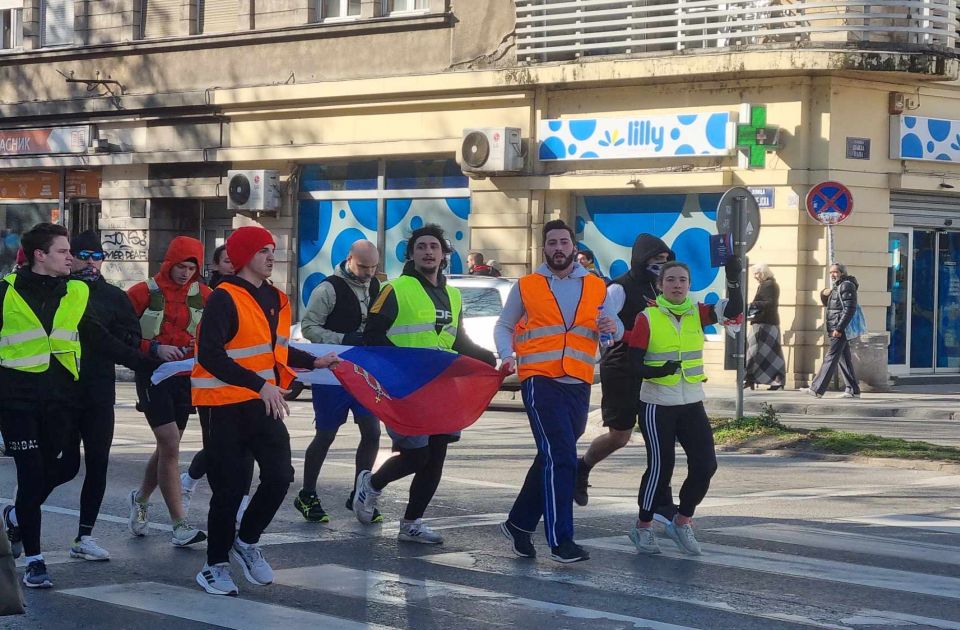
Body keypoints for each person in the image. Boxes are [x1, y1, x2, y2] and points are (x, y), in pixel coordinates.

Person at [0, 223, 156, 589]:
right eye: (63, 251)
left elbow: (101, 339)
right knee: (32, 475)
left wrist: (149, 361)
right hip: (17, 402)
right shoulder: (5, 293)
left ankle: (16, 516)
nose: (70, 258)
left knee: (68, 465)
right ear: (40, 255)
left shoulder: (75, 293)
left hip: (61, 401)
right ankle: (36, 560)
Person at [192, 226, 339, 596]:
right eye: (262, 251)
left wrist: (315, 360)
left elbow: (277, 349)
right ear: (244, 258)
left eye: (272, 249)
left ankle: (247, 540)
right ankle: (214, 566)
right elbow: (210, 356)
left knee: (279, 477)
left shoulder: (274, 297)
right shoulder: (223, 298)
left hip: (263, 402)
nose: (271, 256)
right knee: (228, 489)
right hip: (223, 405)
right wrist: (260, 385)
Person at [354, 224, 495, 544]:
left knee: (437, 456)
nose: (428, 251)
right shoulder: (396, 288)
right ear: (412, 254)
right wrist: (401, 366)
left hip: (441, 388)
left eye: (434, 246)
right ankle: (372, 485)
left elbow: (458, 340)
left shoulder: (453, 293)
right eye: (421, 247)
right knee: (416, 456)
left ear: (444, 254)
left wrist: (488, 359)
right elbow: (372, 337)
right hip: (406, 386)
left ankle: (412, 524)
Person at [495, 220, 622, 563]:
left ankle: (519, 523)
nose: (558, 248)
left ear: (573, 247)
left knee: (553, 455)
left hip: (578, 380)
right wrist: (507, 356)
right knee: (563, 457)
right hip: (539, 378)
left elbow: (614, 329)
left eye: (563, 242)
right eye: (552, 243)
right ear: (544, 249)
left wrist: (613, 328)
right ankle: (560, 541)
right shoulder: (527, 285)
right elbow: (504, 325)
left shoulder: (597, 287)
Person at [626, 258, 742, 556]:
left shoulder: (697, 312)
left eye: (682, 280)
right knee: (661, 468)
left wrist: (732, 275)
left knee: (706, 465)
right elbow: (633, 364)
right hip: (657, 403)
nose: (677, 285)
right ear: (660, 285)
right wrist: (658, 370)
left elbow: (733, 310)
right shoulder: (647, 318)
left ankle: (681, 520)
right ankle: (642, 528)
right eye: (671, 280)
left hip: (691, 401)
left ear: (689, 285)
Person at [63, 231, 147, 561]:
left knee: (98, 465)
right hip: (62, 392)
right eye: (84, 255)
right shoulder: (59, 291)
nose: (91, 262)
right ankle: (19, 513)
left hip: (99, 391)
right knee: (64, 465)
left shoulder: (113, 296)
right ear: (69, 257)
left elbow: (132, 336)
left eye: (97, 256)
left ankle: (85, 536)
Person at [575, 234, 674, 509]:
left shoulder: (661, 288)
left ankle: (660, 498)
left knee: (660, 436)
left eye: (665, 261)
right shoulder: (620, 288)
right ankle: (582, 467)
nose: (661, 265)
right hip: (621, 368)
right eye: (656, 260)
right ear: (642, 261)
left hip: (654, 370)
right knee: (620, 436)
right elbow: (603, 323)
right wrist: (625, 336)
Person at [126, 236, 210, 546]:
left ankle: (142, 499)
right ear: (168, 263)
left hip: (185, 377)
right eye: (180, 266)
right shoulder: (142, 292)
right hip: (151, 375)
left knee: (167, 448)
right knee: (170, 442)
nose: (185, 273)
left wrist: (197, 347)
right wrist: (153, 348)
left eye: (191, 267)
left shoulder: (204, 295)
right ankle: (179, 525)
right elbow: (121, 333)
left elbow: (216, 332)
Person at [295, 240, 383, 523]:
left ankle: (359, 492)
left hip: (364, 370)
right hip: (332, 372)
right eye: (364, 267)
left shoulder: (376, 286)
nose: (369, 273)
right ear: (349, 259)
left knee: (372, 432)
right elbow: (308, 327)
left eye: (374, 267)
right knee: (326, 435)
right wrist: (342, 339)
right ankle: (307, 493)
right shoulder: (327, 288)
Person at [801, 262, 861, 399]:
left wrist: (839, 328)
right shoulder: (838, 286)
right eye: (831, 272)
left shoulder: (846, 285)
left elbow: (849, 309)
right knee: (844, 359)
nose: (832, 275)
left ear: (842, 273)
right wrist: (824, 293)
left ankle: (816, 388)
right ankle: (853, 390)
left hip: (839, 329)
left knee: (831, 357)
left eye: (835, 272)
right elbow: (832, 305)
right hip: (835, 327)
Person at [745, 263, 785, 390]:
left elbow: (769, 302)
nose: (755, 277)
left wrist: (753, 304)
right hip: (767, 323)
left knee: (755, 352)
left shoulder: (769, 285)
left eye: (756, 273)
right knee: (769, 353)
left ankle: (750, 378)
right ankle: (754, 379)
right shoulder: (768, 284)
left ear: (763, 273)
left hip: (765, 324)